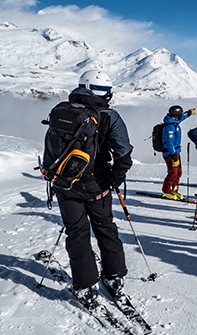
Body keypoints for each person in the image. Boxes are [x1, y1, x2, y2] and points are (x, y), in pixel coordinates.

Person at [50, 70, 132, 310]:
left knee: (77, 233)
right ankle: (114, 277)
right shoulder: (110, 116)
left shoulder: (61, 110)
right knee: (106, 229)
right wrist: (113, 180)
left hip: (66, 184)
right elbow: (124, 155)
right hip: (98, 186)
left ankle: (85, 285)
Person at [158, 105, 191, 199]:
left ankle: (174, 190)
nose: (181, 116)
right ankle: (166, 191)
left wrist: (189, 113)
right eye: (180, 114)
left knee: (178, 172)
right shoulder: (170, 127)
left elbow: (182, 118)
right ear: (175, 115)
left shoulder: (174, 122)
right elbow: (169, 143)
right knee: (173, 172)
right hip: (170, 153)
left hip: (176, 152)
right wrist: (173, 155)